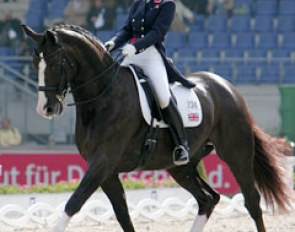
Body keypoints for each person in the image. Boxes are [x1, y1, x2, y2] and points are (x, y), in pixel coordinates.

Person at [104, 0, 195, 165]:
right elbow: (127, 29)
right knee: (113, 86)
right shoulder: (138, 3)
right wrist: (114, 42)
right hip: (132, 54)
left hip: (151, 55)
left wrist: (136, 45)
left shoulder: (168, 5)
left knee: (162, 96)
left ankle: (182, 145)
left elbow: (157, 33)